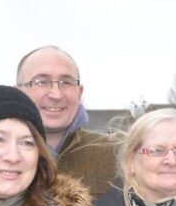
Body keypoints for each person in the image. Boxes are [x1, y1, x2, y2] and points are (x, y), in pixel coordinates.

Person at [16, 45, 118, 196]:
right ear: (18, 92)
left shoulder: (116, 155)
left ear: (79, 92)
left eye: (66, 82)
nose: (56, 95)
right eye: (41, 82)